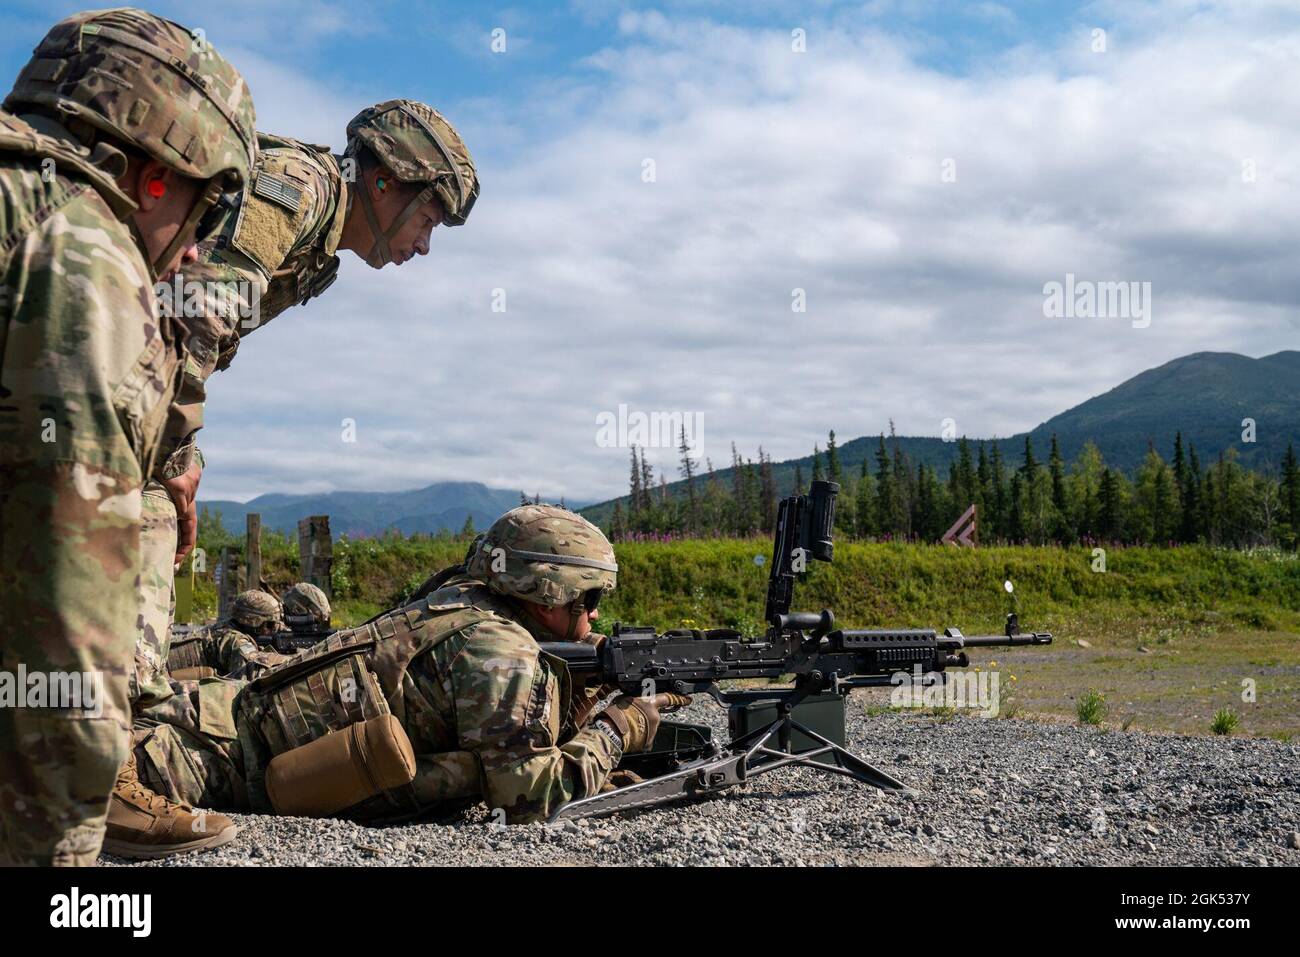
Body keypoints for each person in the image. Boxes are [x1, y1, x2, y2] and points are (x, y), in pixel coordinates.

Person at [0, 7, 255, 866]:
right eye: (206, 215)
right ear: (155, 178)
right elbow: (66, 620)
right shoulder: (84, 257)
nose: (191, 259)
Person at [131, 99, 479, 718]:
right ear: (383, 182)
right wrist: (176, 458)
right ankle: (124, 748)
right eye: (426, 219)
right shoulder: (298, 191)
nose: (424, 246)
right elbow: (189, 314)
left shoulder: (320, 250)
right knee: (150, 515)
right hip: (88, 361)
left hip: (103, 372)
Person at [131, 506, 688, 824]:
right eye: (588, 600)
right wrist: (621, 728)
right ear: (547, 592)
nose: (592, 617)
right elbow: (531, 797)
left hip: (221, 713)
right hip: (205, 760)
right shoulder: (503, 651)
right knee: (69, 775)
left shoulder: (455, 602)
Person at [166, 591, 289, 681]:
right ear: (253, 620)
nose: (272, 631)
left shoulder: (223, 628)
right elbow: (252, 680)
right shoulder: (236, 641)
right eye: (269, 625)